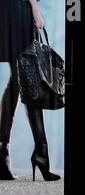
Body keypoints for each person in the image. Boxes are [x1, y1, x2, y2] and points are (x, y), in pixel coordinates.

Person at [0, 0, 60, 181]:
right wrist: (35, 8)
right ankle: (40, 152)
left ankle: (3, 153)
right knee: (28, 81)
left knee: (20, 81)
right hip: (19, 10)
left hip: (7, 10)